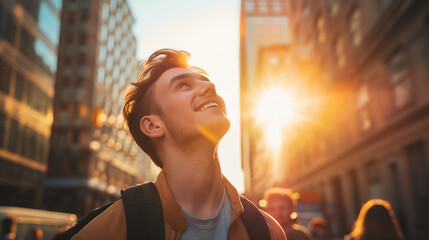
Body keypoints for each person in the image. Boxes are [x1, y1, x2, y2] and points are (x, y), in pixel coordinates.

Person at [71, 49, 286, 240]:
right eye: (183, 85)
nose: (209, 86)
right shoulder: (106, 232)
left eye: (205, 81)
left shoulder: (267, 231)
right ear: (153, 125)